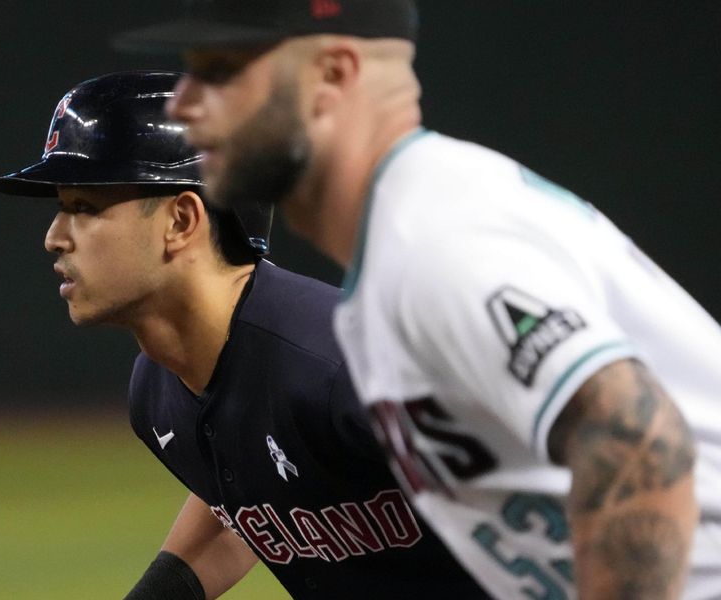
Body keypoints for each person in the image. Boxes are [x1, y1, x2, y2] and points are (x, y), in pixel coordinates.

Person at [114, 3, 721, 599]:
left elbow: (637, 440)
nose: (184, 104)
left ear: (332, 75)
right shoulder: (398, 252)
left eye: (221, 70)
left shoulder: (432, 238)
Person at [0, 70, 490, 599]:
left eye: (83, 208)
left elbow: (556, 496)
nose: (54, 238)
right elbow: (256, 500)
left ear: (181, 221)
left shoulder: (343, 365)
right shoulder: (159, 391)